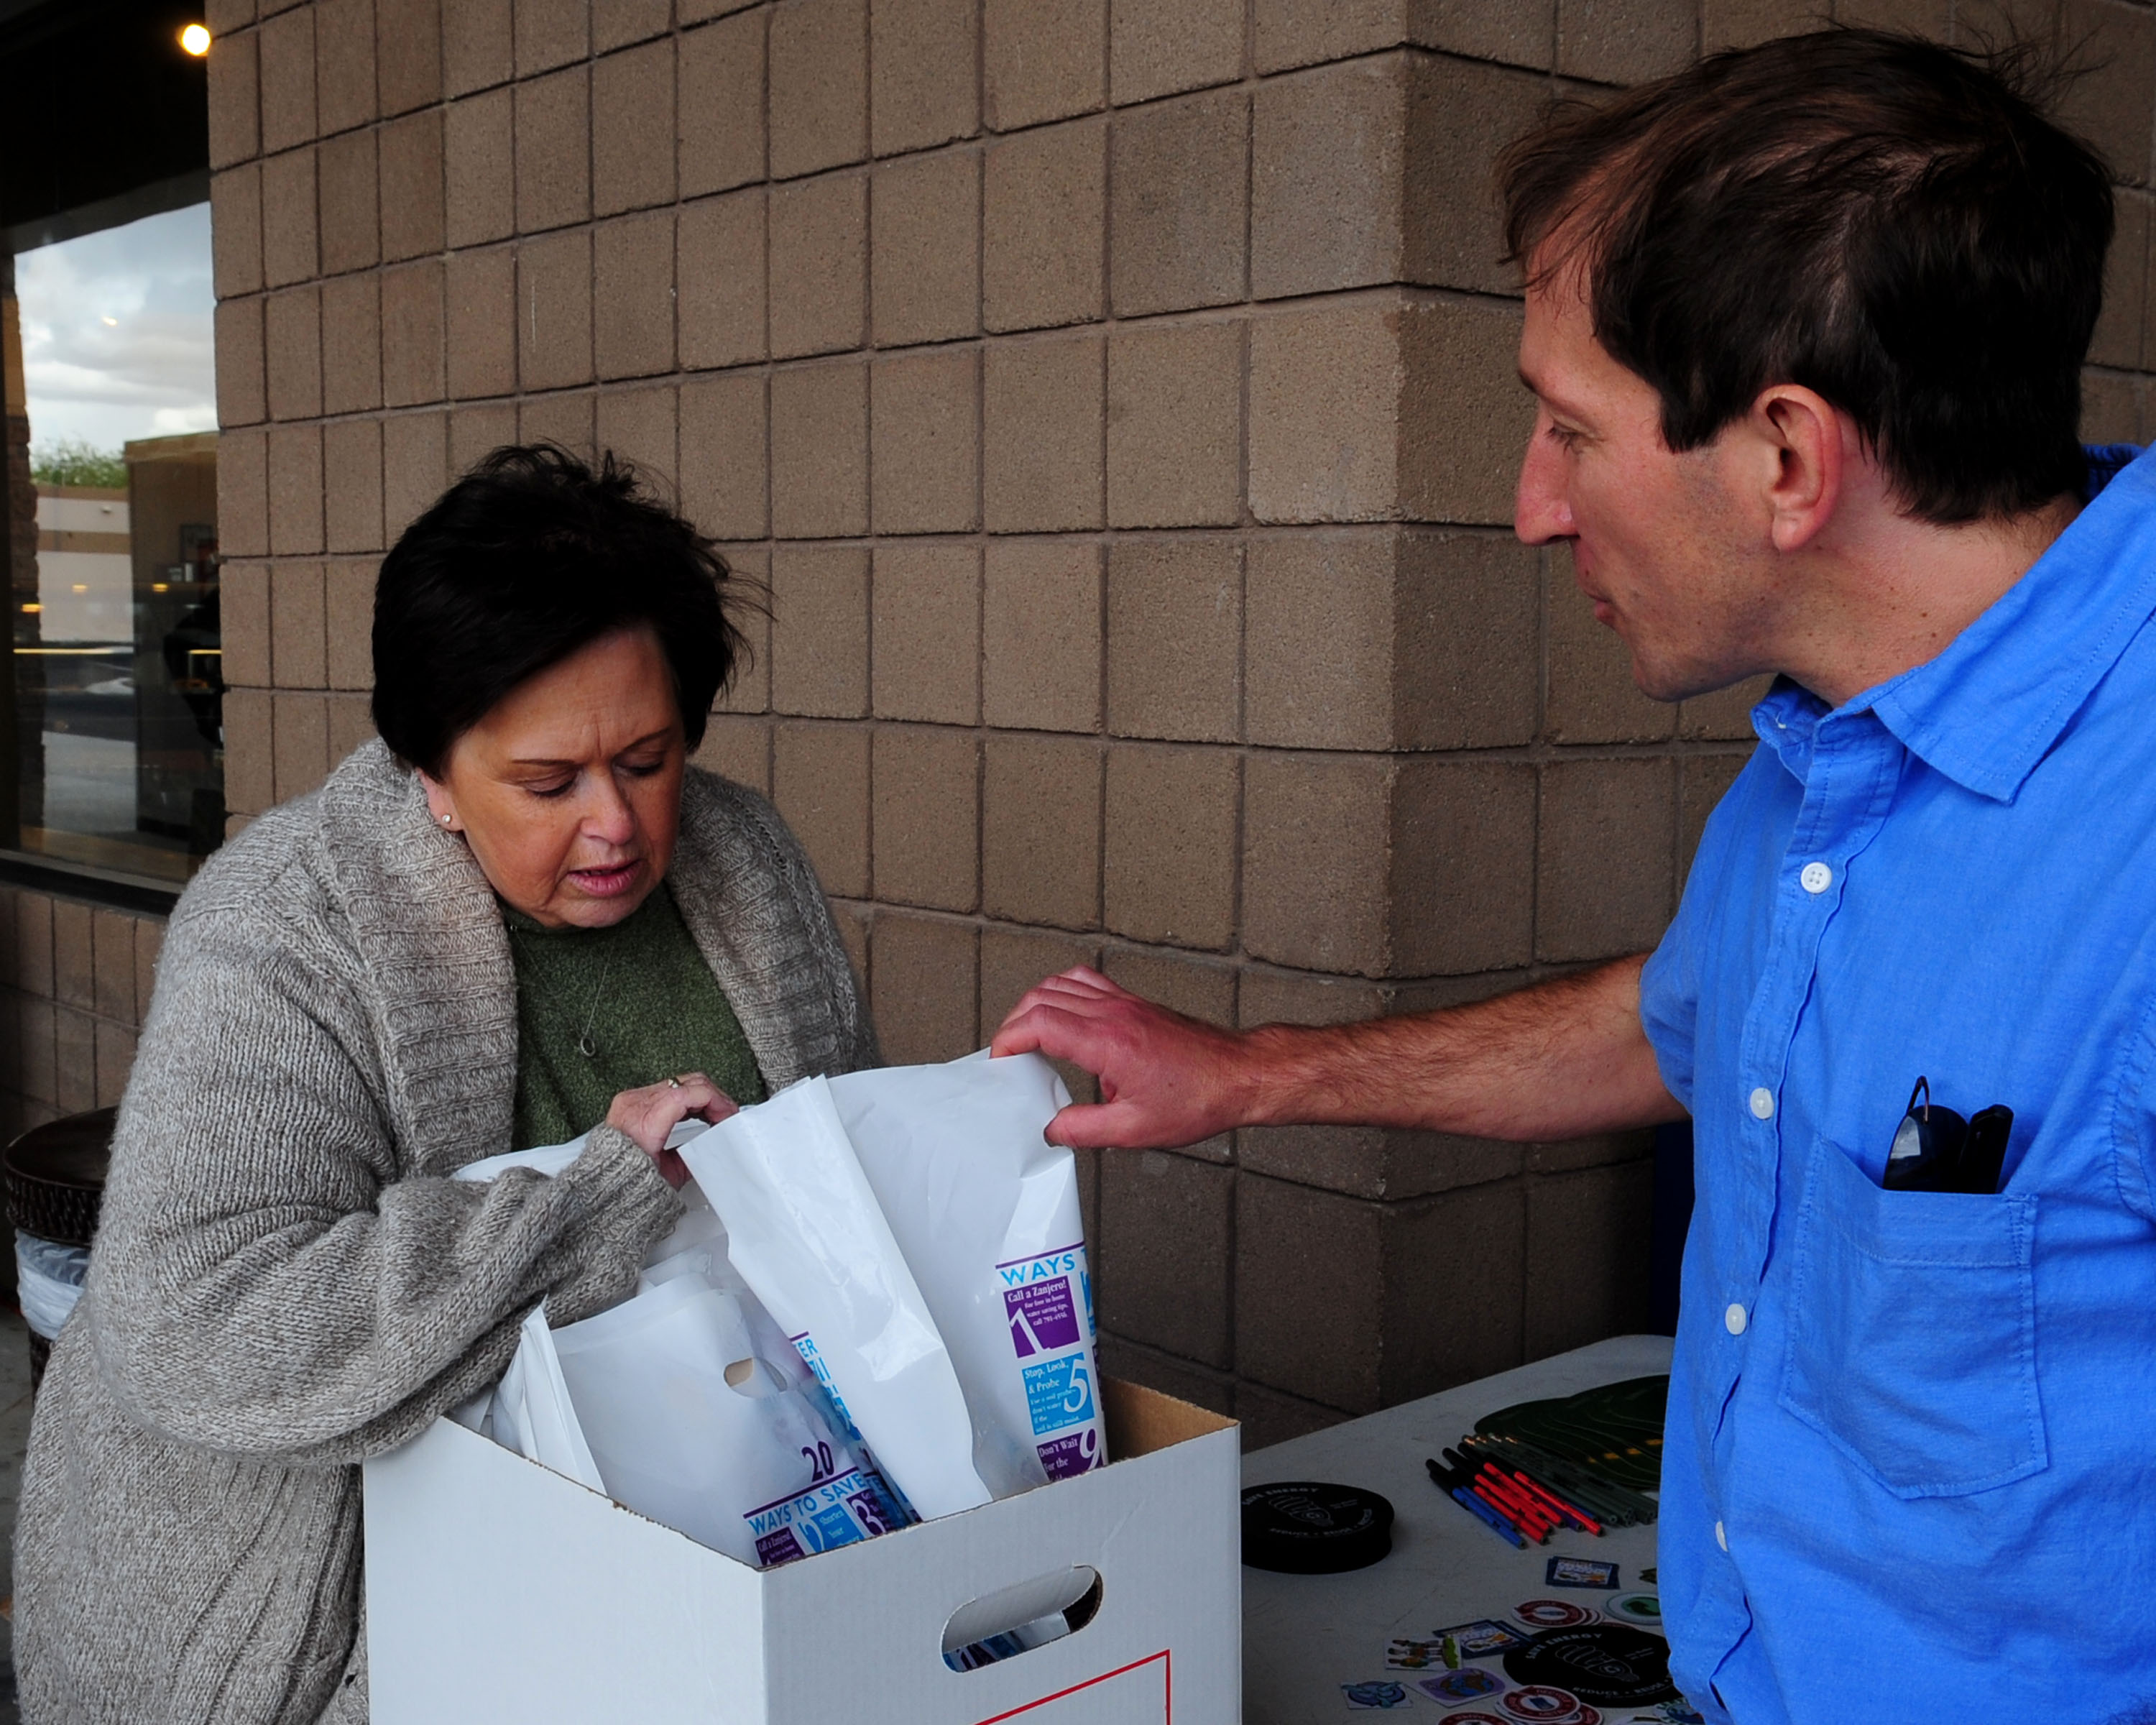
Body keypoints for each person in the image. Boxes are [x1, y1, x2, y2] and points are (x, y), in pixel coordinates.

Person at [994, 29, 2156, 1724]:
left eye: (1569, 430)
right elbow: (1682, 1028)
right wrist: (1263, 1077)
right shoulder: (1826, 763)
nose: (1533, 509)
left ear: (1785, 459)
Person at [14, 446, 877, 1724]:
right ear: (428, 770)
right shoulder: (289, 920)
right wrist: (592, 1203)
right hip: (326, 1625)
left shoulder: (745, 860)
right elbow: (205, 1326)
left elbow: (834, 1187)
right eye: (546, 782)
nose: (617, 826)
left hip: (692, 1557)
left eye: (647, 759)